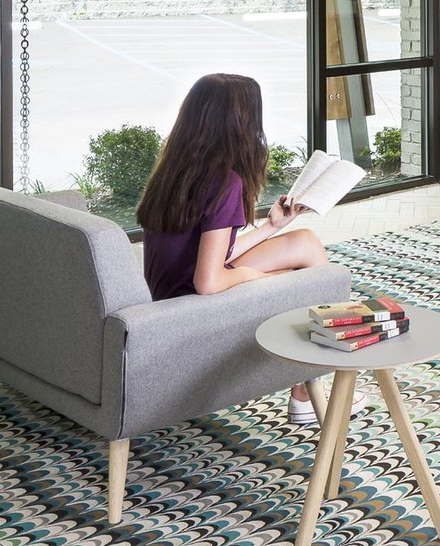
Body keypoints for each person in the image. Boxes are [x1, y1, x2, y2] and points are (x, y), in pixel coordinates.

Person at [137, 72, 364, 424]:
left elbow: (213, 255)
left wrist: (272, 226)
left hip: (169, 292)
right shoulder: (225, 183)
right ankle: (307, 391)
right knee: (310, 282)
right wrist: (254, 275)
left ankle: (307, 388)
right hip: (190, 306)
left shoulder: (176, 167)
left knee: (304, 242)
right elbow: (208, 283)